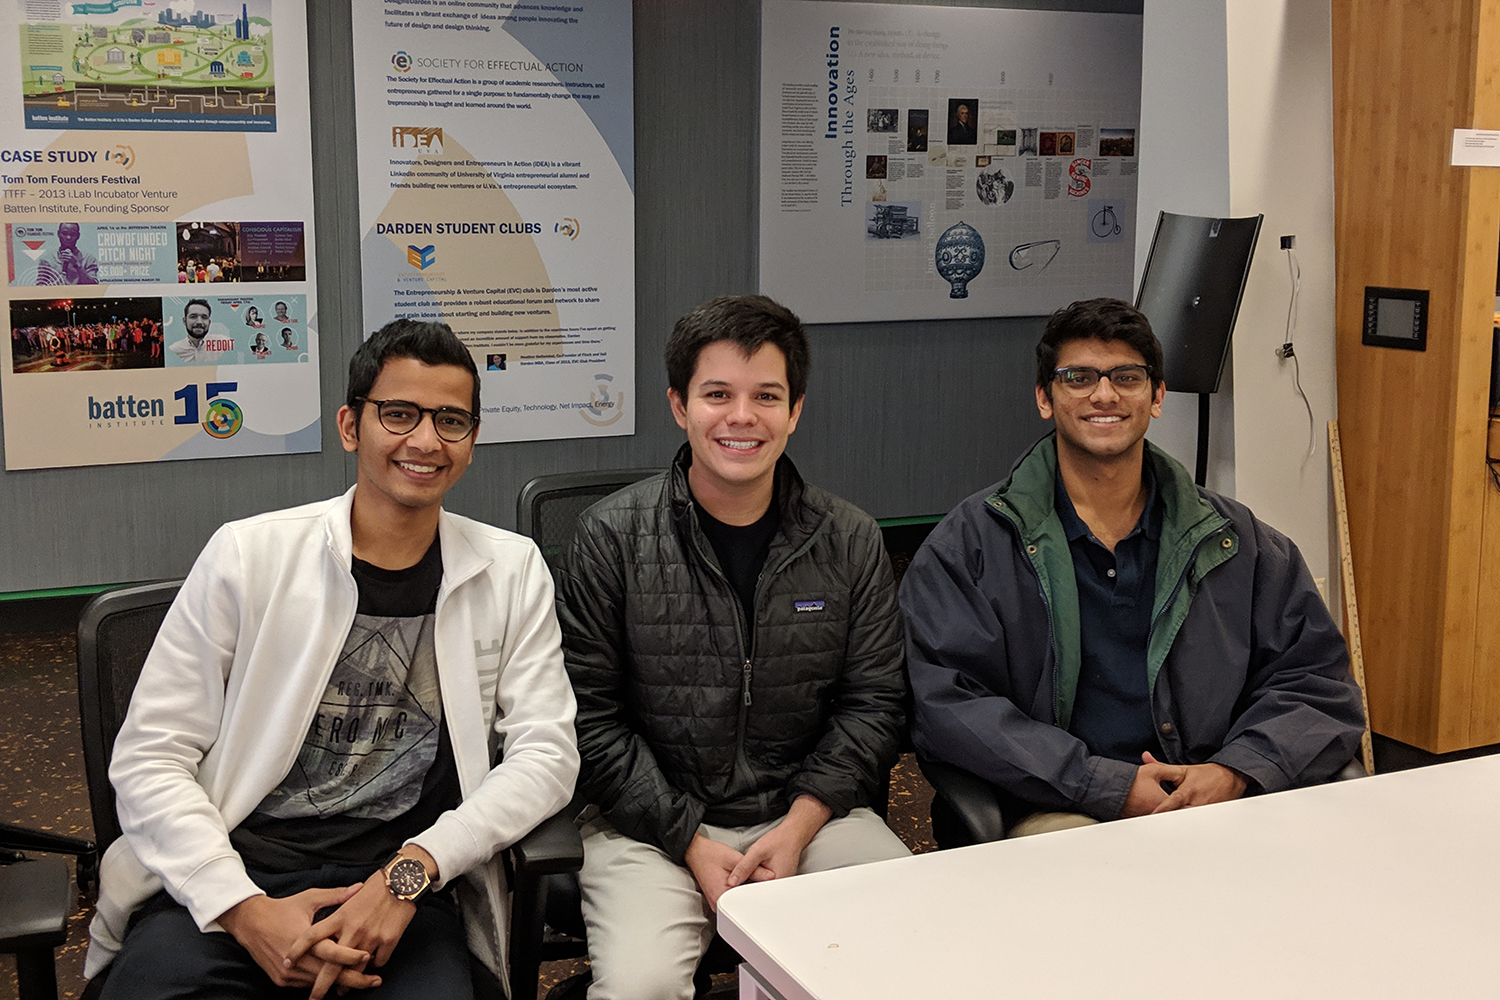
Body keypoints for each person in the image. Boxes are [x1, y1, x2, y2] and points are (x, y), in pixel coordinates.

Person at [87, 318, 579, 998]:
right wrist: (245, 912)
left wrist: (411, 874)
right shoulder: (248, 556)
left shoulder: (511, 570)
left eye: (451, 421)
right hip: (233, 871)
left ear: (472, 444)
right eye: (399, 414)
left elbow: (547, 756)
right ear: (352, 426)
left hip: (404, 891)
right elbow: (150, 756)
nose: (425, 441)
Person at [901, 298, 1364, 838]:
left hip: (1214, 795)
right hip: (1060, 806)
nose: (1104, 394)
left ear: (1157, 396)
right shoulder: (971, 546)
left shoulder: (1242, 544)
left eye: (1126, 377)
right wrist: (1105, 785)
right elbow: (947, 703)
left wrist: (1237, 770)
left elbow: (1317, 684)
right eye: (1078, 378)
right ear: (1044, 399)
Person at [556, 295, 910, 1000]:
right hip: (648, 825)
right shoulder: (610, 539)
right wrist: (687, 836)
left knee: (906, 944)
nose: (742, 417)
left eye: (766, 396)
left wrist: (802, 823)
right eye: (717, 394)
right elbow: (589, 721)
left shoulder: (849, 538)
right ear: (679, 406)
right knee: (639, 987)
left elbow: (875, 705)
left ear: (796, 410)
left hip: (808, 814)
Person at [168, 298, 223, 365]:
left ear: (209, 322)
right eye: (193, 317)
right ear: (184, 321)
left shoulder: (224, 345)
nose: (199, 322)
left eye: (204, 317)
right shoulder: (174, 350)